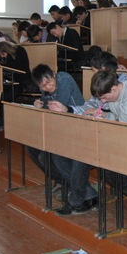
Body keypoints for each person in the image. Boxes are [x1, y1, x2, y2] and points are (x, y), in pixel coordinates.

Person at [30, 64, 96, 216]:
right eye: (43, 86)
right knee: (39, 153)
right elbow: (49, 106)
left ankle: (78, 197)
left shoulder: (64, 79)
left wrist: (44, 104)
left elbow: (59, 105)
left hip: (80, 128)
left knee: (60, 157)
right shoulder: (45, 88)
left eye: (49, 82)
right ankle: (84, 192)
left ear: (54, 74)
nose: (48, 87)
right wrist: (39, 104)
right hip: (64, 131)